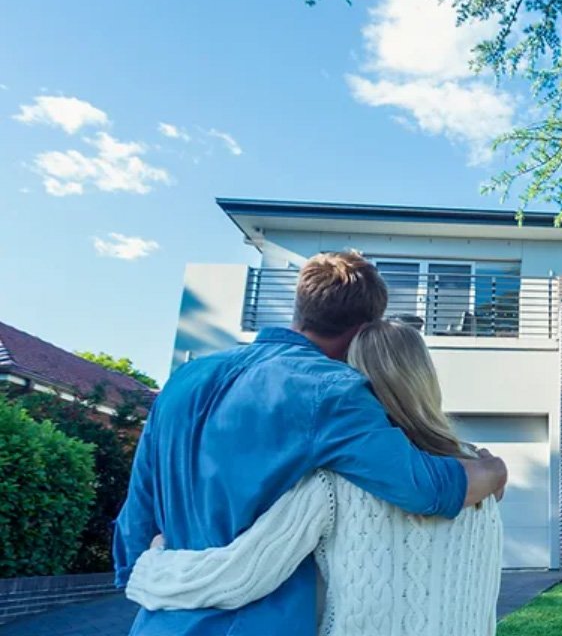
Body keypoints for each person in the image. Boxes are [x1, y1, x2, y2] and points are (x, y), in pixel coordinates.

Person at [113, 252, 507, 636]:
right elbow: (423, 488)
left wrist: (153, 582)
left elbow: (136, 519)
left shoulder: (184, 380)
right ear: (364, 330)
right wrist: (493, 470)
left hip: (158, 619)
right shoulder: (332, 391)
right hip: (261, 623)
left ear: (300, 307)